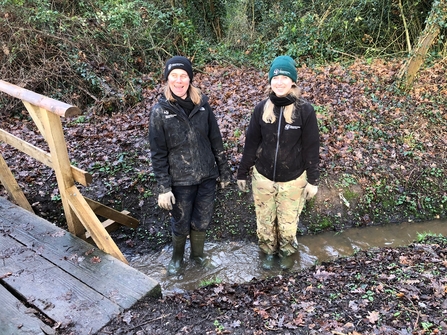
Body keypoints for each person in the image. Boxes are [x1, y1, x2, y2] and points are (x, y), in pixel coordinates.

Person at [149, 56, 231, 276]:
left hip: (206, 176)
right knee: (181, 222)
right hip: (179, 180)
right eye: (174, 76)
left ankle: (198, 255)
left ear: (190, 79)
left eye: (183, 76)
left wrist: (224, 172)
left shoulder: (202, 105)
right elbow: (158, 153)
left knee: (202, 220)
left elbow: (216, 140)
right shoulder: (160, 112)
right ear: (167, 80)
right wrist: (164, 188)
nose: (179, 80)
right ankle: (177, 259)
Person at [236, 55, 320, 270]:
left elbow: (312, 147)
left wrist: (313, 180)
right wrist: (242, 173)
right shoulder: (261, 109)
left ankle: (287, 254)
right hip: (263, 178)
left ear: (293, 81)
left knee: (287, 225)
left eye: (284, 77)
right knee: (264, 222)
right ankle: (266, 252)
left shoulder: (305, 111)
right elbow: (251, 144)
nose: (279, 82)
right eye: (275, 77)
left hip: (293, 180)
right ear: (270, 81)